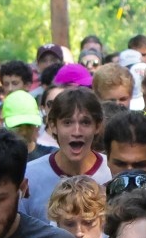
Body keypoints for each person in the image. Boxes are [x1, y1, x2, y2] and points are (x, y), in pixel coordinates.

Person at [23, 88, 111, 223]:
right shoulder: (30, 176)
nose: (76, 132)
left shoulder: (111, 171)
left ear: (97, 126)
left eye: (85, 122)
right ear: (53, 126)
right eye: (67, 123)